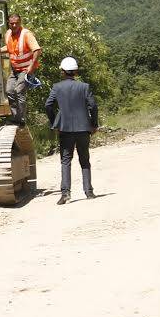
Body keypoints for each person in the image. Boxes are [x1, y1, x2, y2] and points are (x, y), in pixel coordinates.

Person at [45, 56, 98, 205]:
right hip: (83, 129)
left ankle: (65, 194)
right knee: (85, 160)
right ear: (75, 71)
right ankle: (89, 192)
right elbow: (93, 106)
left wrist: (54, 122)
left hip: (65, 129)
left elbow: (48, 105)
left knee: (66, 160)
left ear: (63, 71)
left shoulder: (57, 87)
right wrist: (94, 124)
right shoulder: (84, 86)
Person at [3, 14, 41, 124]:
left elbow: (37, 50)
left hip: (26, 70)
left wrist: (31, 66)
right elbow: (9, 48)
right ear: (8, 23)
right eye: (11, 23)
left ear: (20, 22)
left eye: (16, 23)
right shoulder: (8, 34)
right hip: (15, 70)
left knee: (18, 91)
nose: (14, 25)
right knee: (9, 91)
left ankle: (22, 119)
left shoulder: (26, 34)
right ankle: (16, 118)